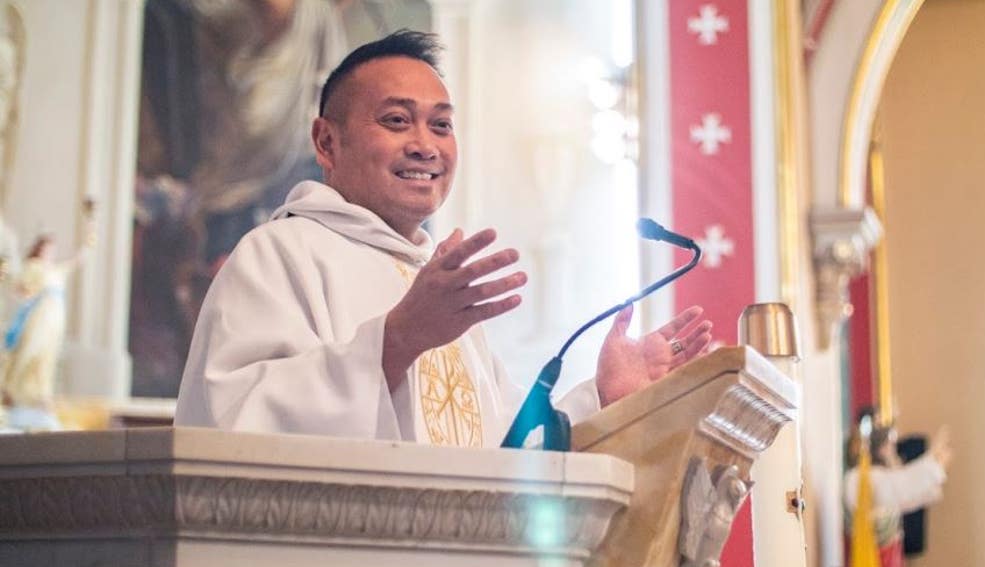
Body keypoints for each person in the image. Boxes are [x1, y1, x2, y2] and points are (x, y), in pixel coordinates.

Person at [175, 30, 712, 444]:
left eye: (441, 125)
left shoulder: (436, 283)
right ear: (326, 141)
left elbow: (504, 455)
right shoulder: (278, 256)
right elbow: (230, 426)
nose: (425, 146)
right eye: (395, 120)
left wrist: (601, 398)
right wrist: (396, 341)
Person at [843, 408, 953, 567]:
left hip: (884, 565)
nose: (894, 451)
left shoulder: (871, 478)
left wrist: (934, 464)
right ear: (879, 448)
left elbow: (908, 493)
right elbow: (901, 487)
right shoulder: (862, 479)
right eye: (890, 445)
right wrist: (933, 463)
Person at [2, 209, 96, 426]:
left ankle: (40, 396)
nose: (51, 252)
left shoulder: (55, 270)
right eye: (48, 248)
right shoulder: (34, 267)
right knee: (29, 353)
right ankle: (19, 395)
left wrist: (91, 229)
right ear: (41, 248)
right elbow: (20, 288)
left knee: (47, 358)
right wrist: (29, 296)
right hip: (38, 318)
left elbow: (80, 258)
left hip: (54, 320)